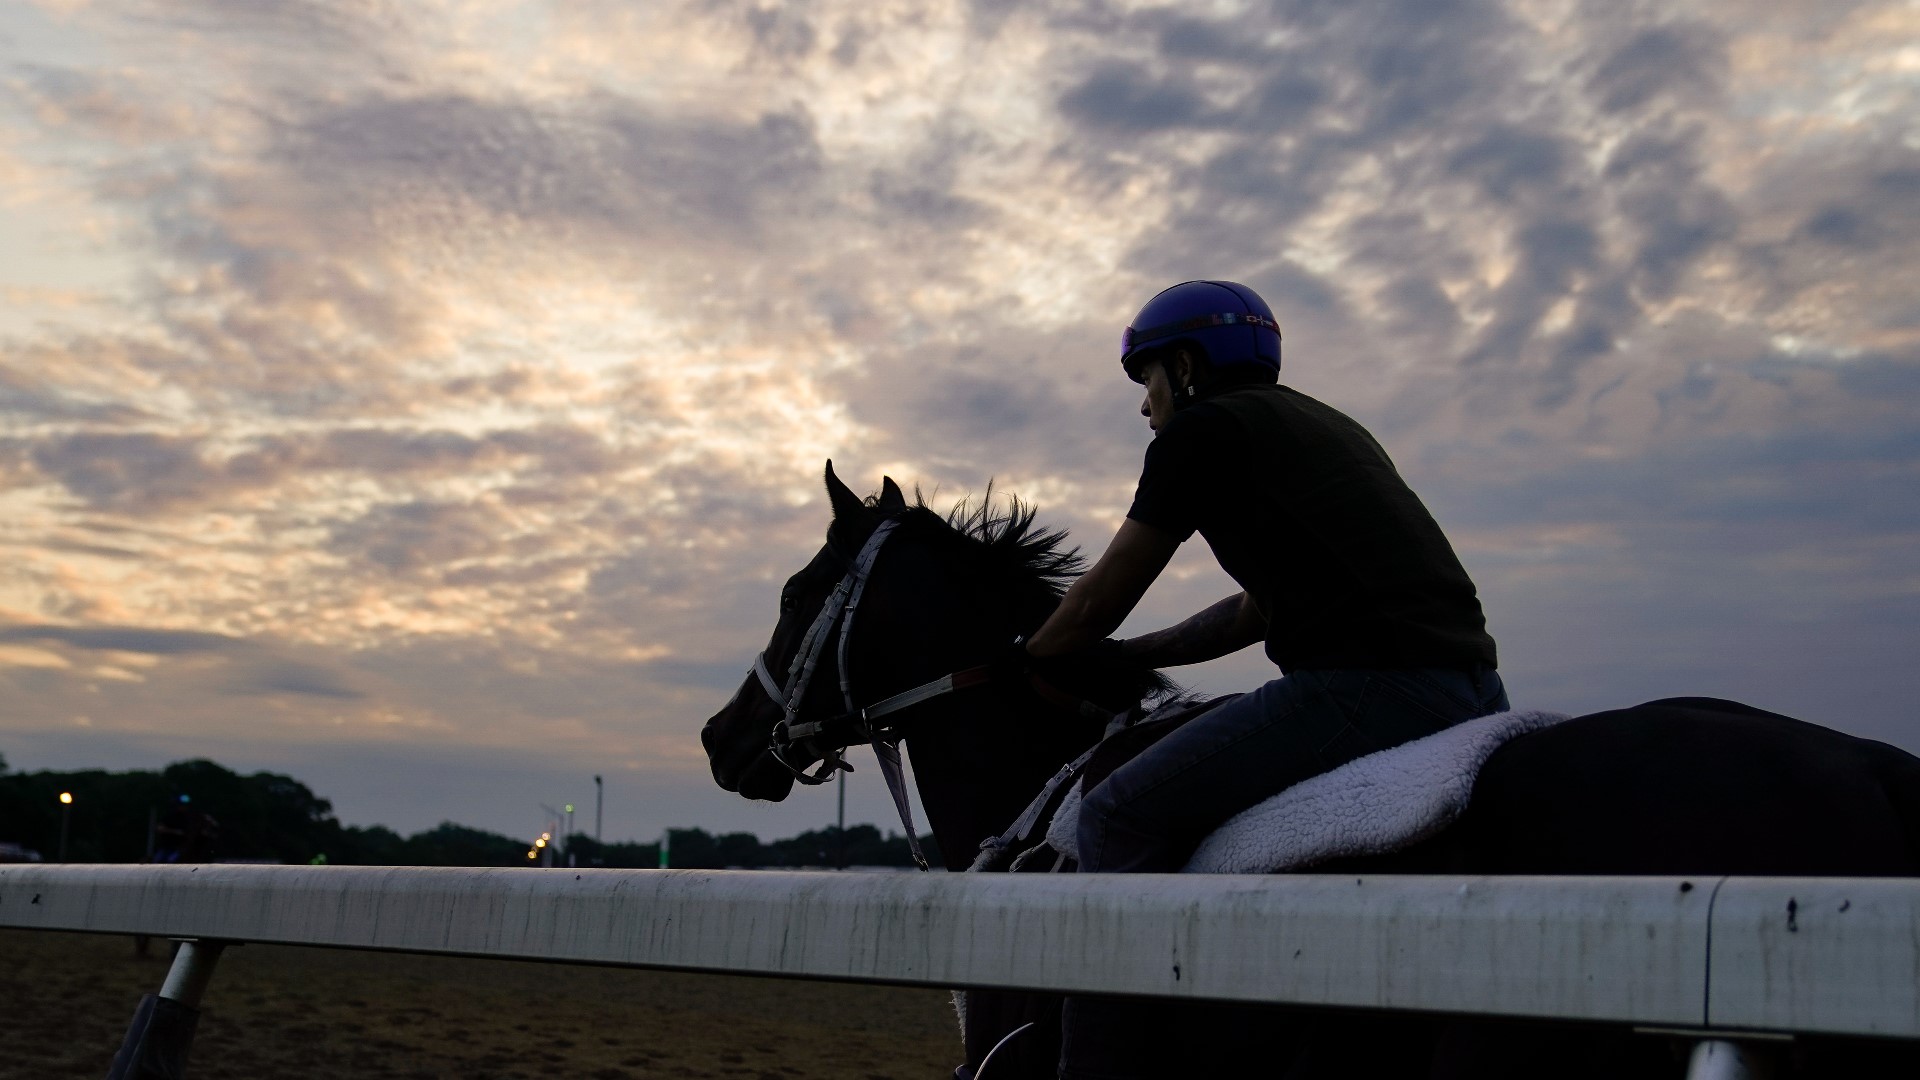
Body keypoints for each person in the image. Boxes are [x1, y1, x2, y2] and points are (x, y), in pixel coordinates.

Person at [1019, 279, 1507, 1078]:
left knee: (1115, 820)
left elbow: (1100, 595)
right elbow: (1251, 611)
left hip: (1365, 689)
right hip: (1478, 691)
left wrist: (1032, 654)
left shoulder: (1200, 433)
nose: (1144, 407)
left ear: (1183, 365)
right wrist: (1138, 656)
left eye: (1146, 381)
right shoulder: (1327, 426)